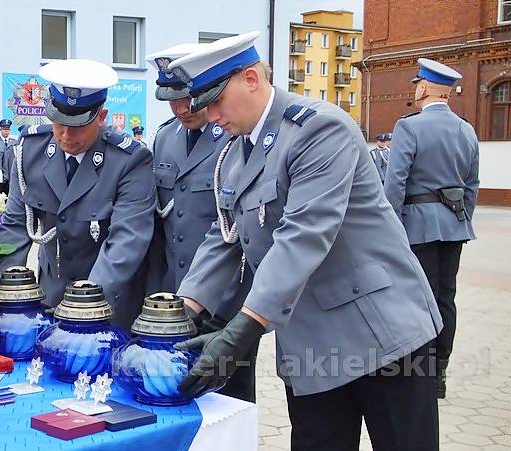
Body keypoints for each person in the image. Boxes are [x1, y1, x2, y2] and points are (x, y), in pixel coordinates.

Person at [168, 32, 442, 450]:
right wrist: (180, 311)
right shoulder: (237, 152)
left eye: (216, 102)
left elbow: (304, 233)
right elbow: (224, 237)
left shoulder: (318, 128)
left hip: (382, 334)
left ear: (251, 79)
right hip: (312, 345)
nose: (208, 116)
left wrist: (244, 327)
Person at [0, 58, 156, 328]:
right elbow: (14, 227)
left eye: (78, 125)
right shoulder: (30, 151)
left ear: (101, 117)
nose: (66, 135)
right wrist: (9, 294)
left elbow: (127, 239)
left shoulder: (129, 160)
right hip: (49, 294)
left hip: (107, 303)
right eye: (59, 123)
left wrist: (87, 304)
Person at [144, 43, 257, 402]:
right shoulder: (165, 137)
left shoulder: (235, 135)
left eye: (188, 98)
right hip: (177, 297)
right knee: (173, 396)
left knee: (230, 401)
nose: (181, 109)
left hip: (227, 300)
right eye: (171, 100)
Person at [384, 58, 480, 399]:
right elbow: (472, 184)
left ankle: (417, 373)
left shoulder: (408, 127)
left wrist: (389, 228)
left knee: (415, 298)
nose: (416, 89)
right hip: (454, 226)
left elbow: (395, 183)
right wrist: (460, 219)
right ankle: (439, 371)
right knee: (445, 298)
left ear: (424, 88)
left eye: (417, 85)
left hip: (416, 227)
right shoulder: (466, 129)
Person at [0, 119, 17, 194]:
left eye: (8, 129)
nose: (6, 131)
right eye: (4, 129)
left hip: (11, 175)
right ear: (0, 130)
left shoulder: (15, 142)